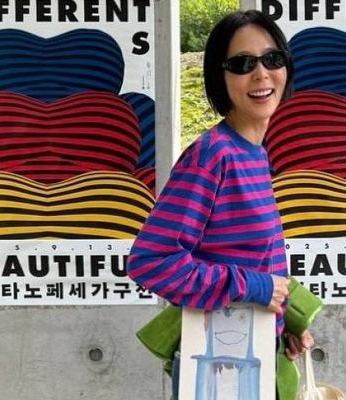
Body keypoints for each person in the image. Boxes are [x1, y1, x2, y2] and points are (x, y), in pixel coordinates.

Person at [127, 9, 314, 399]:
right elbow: (151, 261)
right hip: (222, 372)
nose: (261, 74)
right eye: (242, 64)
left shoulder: (254, 152)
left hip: (253, 357)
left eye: (272, 59)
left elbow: (249, 257)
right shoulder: (212, 156)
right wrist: (254, 286)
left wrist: (283, 325)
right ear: (219, 76)